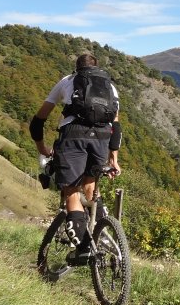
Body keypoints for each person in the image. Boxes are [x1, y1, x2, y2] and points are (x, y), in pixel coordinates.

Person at [29, 53, 122, 265]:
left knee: (71, 190)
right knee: (90, 188)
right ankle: (102, 237)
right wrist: (114, 159)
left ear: (76, 68)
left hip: (73, 137)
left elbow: (38, 120)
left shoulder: (68, 81)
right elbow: (116, 127)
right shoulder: (110, 86)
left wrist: (42, 147)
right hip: (102, 139)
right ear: (97, 67)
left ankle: (83, 250)